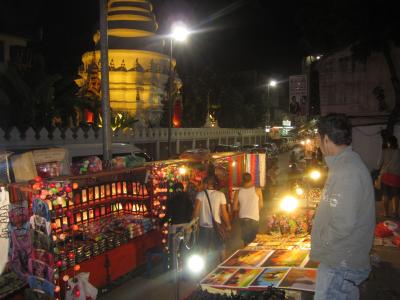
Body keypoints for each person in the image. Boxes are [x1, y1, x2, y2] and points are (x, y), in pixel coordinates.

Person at [311, 113, 375, 300]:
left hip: (340, 264)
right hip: (341, 262)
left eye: (318, 139)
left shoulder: (347, 171)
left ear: (326, 139)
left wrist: (322, 241)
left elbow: (343, 224)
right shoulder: (345, 165)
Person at [193, 176, 231, 261]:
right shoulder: (220, 195)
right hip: (217, 227)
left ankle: (203, 272)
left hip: (204, 228)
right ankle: (222, 270)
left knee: (203, 251)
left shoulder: (200, 195)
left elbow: (196, 212)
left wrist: (194, 225)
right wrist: (228, 225)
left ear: (206, 184)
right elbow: (224, 212)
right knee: (221, 249)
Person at [233, 173, 263, 245]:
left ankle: (246, 254)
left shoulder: (238, 192)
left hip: (243, 218)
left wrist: (243, 207)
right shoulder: (257, 190)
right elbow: (261, 205)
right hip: (254, 217)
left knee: (246, 241)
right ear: (251, 179)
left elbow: (234, 207)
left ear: (242, 180)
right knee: (254, 241)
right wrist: (255, 210)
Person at [377, 135, 400, 217]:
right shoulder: (398, 151)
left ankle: (386, 213)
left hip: (385, 176)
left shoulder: (384, 151)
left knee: (385, 195)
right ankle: (395, 212)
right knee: (396, 195)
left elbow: (378, 164)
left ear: (388, 143)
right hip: (396, 176)